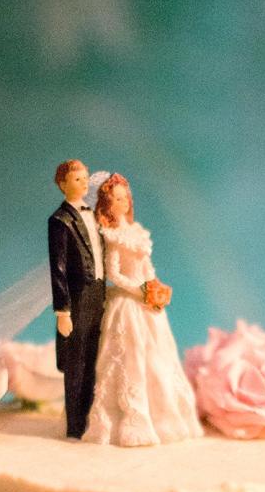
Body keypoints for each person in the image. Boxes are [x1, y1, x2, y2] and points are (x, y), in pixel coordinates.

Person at [84, 174, 203, 446]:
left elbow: (147, 267)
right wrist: (139, 291)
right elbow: (114, 274)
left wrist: (155, 286)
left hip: (147, 304)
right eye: (116, 199)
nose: (122, 203)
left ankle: (165, 419)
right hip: (127, 305)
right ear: (106, 204)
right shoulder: (113, 236)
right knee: (130, 358)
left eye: (125, 197)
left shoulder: (136, 231)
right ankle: (125, 421)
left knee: (159, 358)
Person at [47, 159, 106, 438]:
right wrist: (62, 311)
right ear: (63, 184)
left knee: (93, 359)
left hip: (98, 293)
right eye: (77, 180)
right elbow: (57, 268)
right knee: (76, 362)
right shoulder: (59, 221)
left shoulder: (93, 215)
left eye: (85, 179)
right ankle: (74, 426)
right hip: (77, 297)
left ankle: (89, 419)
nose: (83, 184)